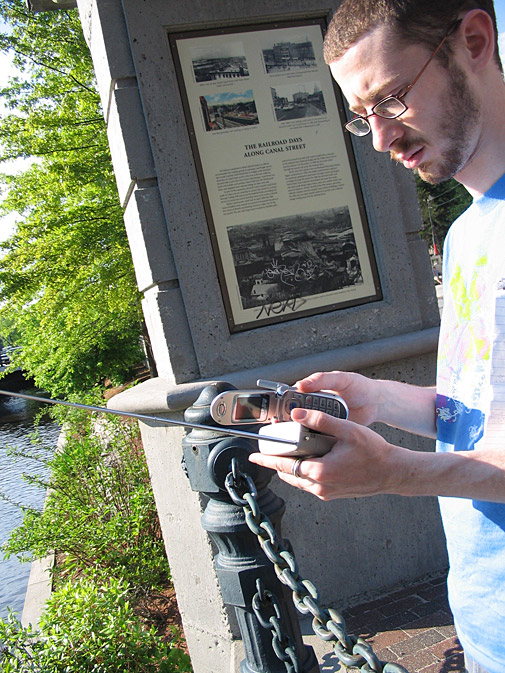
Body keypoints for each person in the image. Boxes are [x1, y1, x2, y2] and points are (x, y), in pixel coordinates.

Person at [249, 2, 505, 672]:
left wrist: (392, 470)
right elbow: (478, 417)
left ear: (473, 40)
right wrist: (376, 399)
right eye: (361, 116)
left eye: (390, 98)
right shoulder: (465, 236)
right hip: (485, 627)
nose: (381, 138)